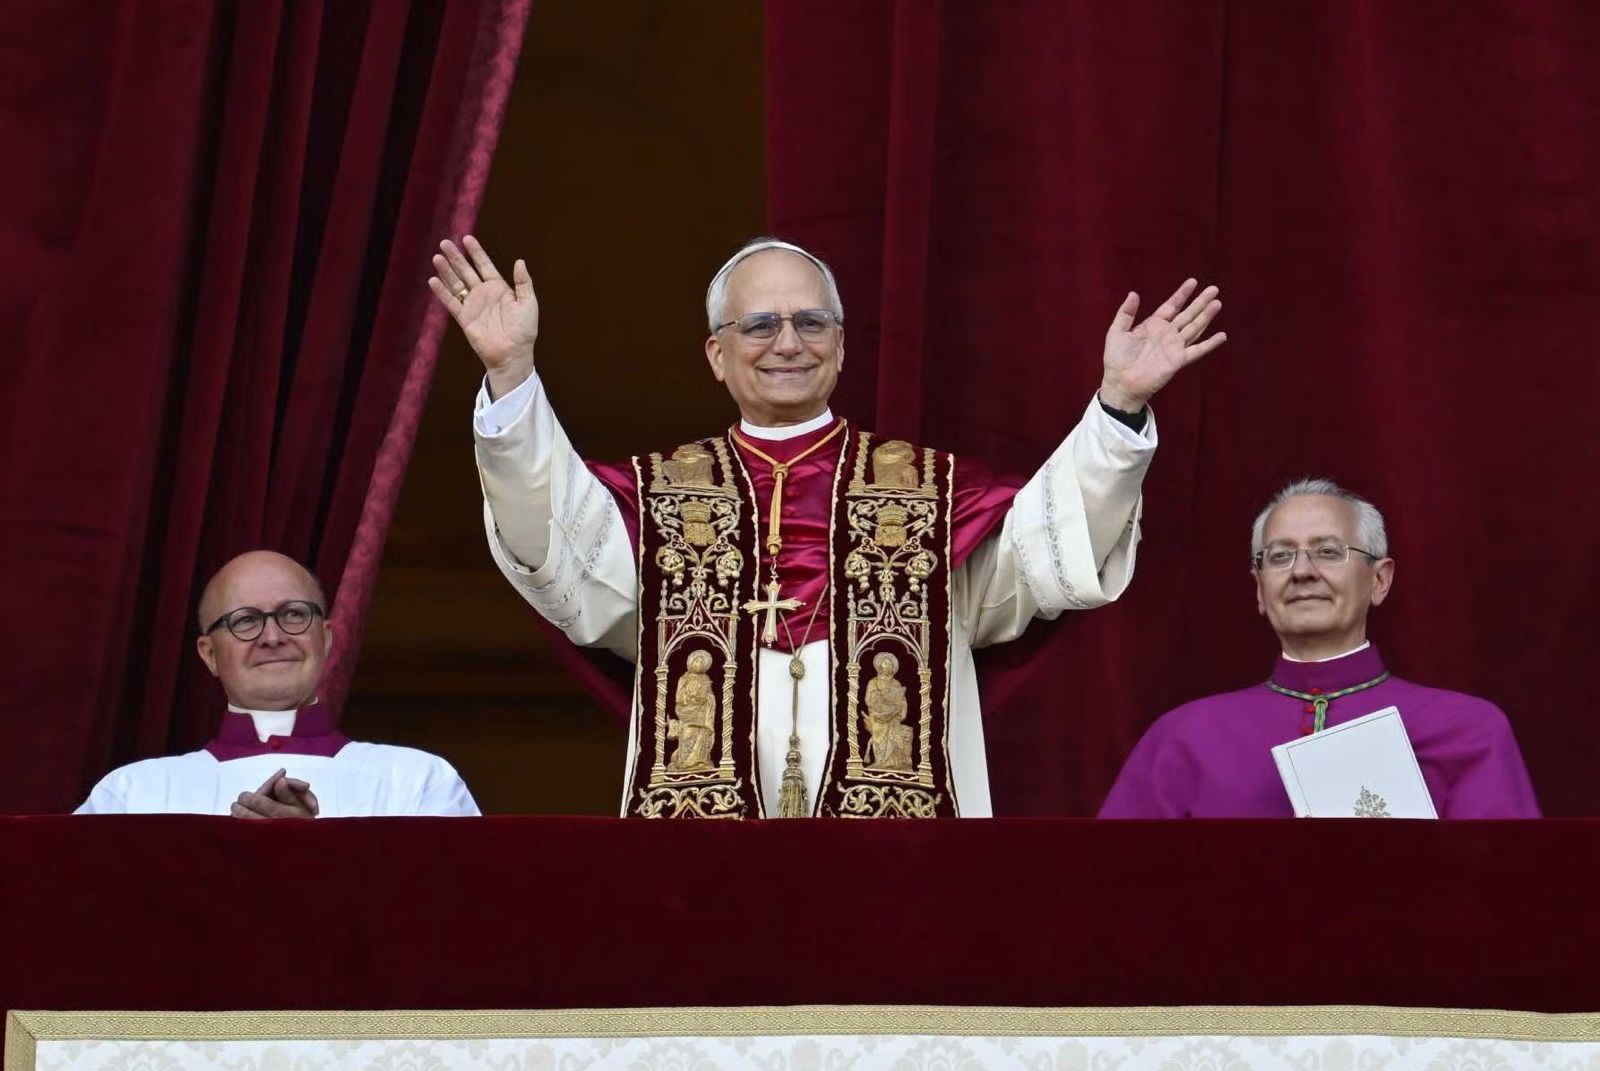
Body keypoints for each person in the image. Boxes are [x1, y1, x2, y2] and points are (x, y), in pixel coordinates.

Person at [433, 235, 1225, 818]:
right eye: (760, 325)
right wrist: (511, 376)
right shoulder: (658, 496)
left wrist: (1117, 405)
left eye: (812, 323)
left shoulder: (931, 494)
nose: (788, 342)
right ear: (715, 353)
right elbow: (556, 551)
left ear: (841, 349)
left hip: (900, 846)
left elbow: (1050, 549)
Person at [1099, 478, 1540, 819]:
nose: (1302, 572)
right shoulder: (1184, 738)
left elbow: (1506, 896)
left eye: (1328, 552)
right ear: (1259, 589)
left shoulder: (1468, 731)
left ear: (1379, 580)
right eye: (1279, 556)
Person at [77, 551, 480, 817]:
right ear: (209, 654)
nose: (272, 637)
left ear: (325, 638)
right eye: (246, 621)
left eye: (292, 614)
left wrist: (318, 856)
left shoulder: (419, 783)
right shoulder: (131, 795)